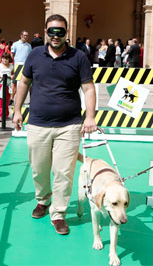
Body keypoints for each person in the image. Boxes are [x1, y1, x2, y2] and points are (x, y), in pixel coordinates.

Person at [13, 14, 97, 235]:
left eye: (60, 31)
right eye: (52, 31)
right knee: (39, 169)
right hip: (38, 124)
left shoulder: (78, 57)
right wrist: (17, 110)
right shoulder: (34, 55)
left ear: (66, 32)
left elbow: (88, 88)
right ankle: (43, 200)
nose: (56, 35)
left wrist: (90, 117)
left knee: (63, 172)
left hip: (69, 126)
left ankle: (58, 213)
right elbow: (23, 83)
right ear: (46, 31)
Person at [10, 30, 32, 105]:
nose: (26, 37)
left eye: (27, 35)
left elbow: (30, 56)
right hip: (17, 66)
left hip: (25, 67)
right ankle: (13, 99)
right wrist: (13, 64)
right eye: (24, 35)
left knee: (25, 83)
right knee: (15, 84)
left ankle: (25, 100)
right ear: (21, 35)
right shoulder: (15, 44)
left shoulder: (29, 46)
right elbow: (12, 54)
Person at [0, 52, 13, 120]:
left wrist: (11, 76)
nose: (5, 60)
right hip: (1, 85)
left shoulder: (11, 66)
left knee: (7, 100)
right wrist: (2, 76)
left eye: (6, 58)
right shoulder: (0, 65)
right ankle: (1, 115)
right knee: (1, 101)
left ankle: (6, 114)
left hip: (8, 85)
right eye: (3, 58)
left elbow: (14, 74)